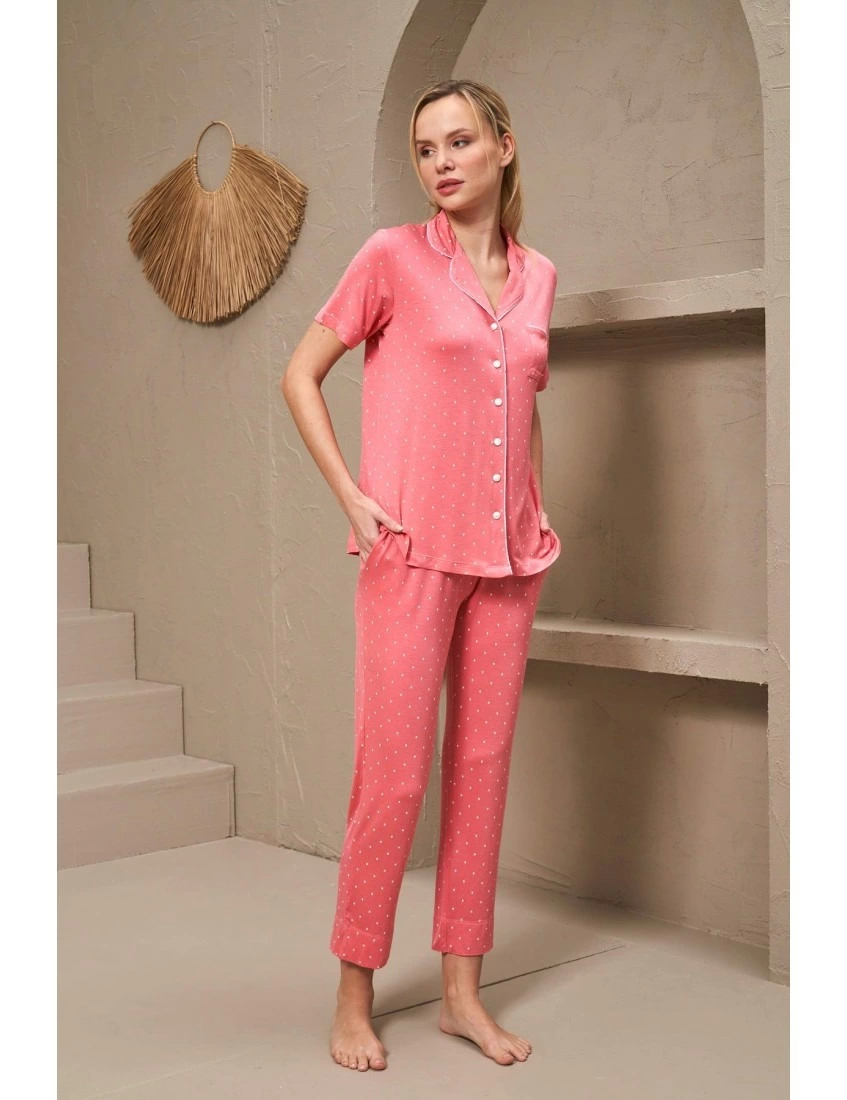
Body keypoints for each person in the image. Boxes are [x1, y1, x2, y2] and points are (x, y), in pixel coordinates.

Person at [281, 78, 561, 1072]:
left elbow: (521, 402)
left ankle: (461, 996)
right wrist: (352, 497)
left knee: (481, 769)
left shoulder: (539, 276)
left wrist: (535, 510)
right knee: (392, 776)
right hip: (410, 554)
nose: (441, 162)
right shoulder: (391, 258)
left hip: (508, 561)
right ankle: (353, 996)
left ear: (503, 146)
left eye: (459, 142)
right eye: (425, 149)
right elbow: (299, 373)